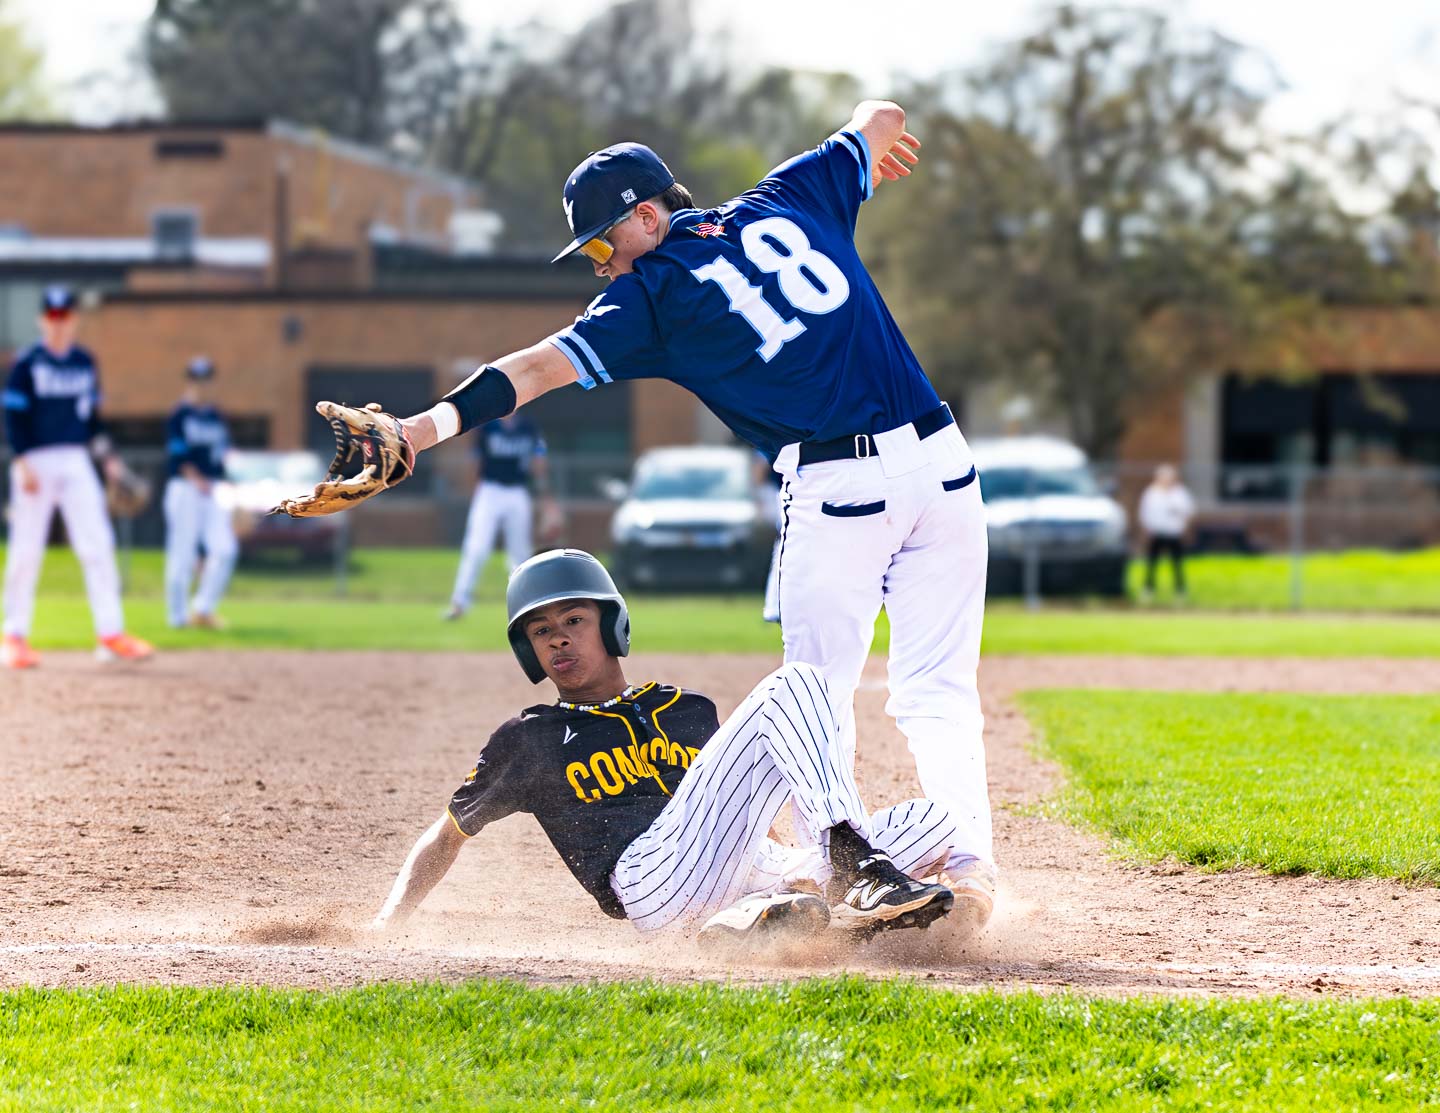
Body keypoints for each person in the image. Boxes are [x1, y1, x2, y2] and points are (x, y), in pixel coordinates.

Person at [314, 100, 998, 926]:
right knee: (938, 690)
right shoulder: (789, 194)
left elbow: (530, 371)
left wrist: (418, 430)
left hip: (839, 486)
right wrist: (869, 142)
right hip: (947, 467)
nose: (600, 263)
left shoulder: (655, 297)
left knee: (814, 687)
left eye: (604, 242)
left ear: (650, 214)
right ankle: (969, 873)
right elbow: (883, 115)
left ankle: (844, 866)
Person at [371, 548, 980, 945]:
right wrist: (388, 924)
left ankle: (788, 917)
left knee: (936, 820)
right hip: (647, 881)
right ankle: (853, 871)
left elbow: (735, 811)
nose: (559, 640)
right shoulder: (529, 738)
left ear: (611, 626)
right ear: (528, 651)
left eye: (574, 621)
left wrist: (787, 861)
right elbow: (449, 832)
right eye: (541, 631)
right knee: (796, 684)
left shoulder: (688, 710)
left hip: (738, 868)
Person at [1, 286, 154, 668]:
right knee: (26, 549)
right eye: (52, 316)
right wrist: (21, 461)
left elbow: (93, 423)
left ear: (74, 320)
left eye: (64, 316)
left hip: (75, 459)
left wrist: (110, 461)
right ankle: (14, 636)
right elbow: (13, 417)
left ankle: (110, 634)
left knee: (98, 542)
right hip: (34, 458)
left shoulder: (85, 362)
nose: (58, 323)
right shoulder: (27, 362)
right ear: (42, 321)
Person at [444, 412, 555, 621]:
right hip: (489, 490)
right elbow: (474, 461)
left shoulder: (528, 426)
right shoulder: (487, 426)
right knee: (476, 548)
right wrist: (473, 492)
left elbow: (538, 462)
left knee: (520, 553)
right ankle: (459, 602)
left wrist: (545, 496)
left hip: (517, 491)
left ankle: (526, 605)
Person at [163, 356, 238, 630]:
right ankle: (177, 617)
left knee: (225, 549)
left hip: (214, 489)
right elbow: (178, 454)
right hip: (185, 488)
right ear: (189, 382)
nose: (201, 385)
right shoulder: (179, 414)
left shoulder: (217, 416)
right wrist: (196, 479)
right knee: (182, 555)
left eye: (206, 379)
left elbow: (225, 456)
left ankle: (203, 609)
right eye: (196, 379)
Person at [1138, 464, 1195, 602]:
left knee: (1177, 564)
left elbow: (1189, 512)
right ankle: (1148, 590)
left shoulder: (1179, 493)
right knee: (1152, 563)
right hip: (1157, 533)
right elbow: (1144, 513)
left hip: (1174, 533)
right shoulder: (1151, 493)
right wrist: (1146, 531)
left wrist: (1185, 529)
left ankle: (1180, 591)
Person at [753, 451, 784, 624]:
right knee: (783, 543)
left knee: (783, 545)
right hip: (779, 492)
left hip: (791, 492)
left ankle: (775, 605)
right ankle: (774, 606)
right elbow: (760, 466)